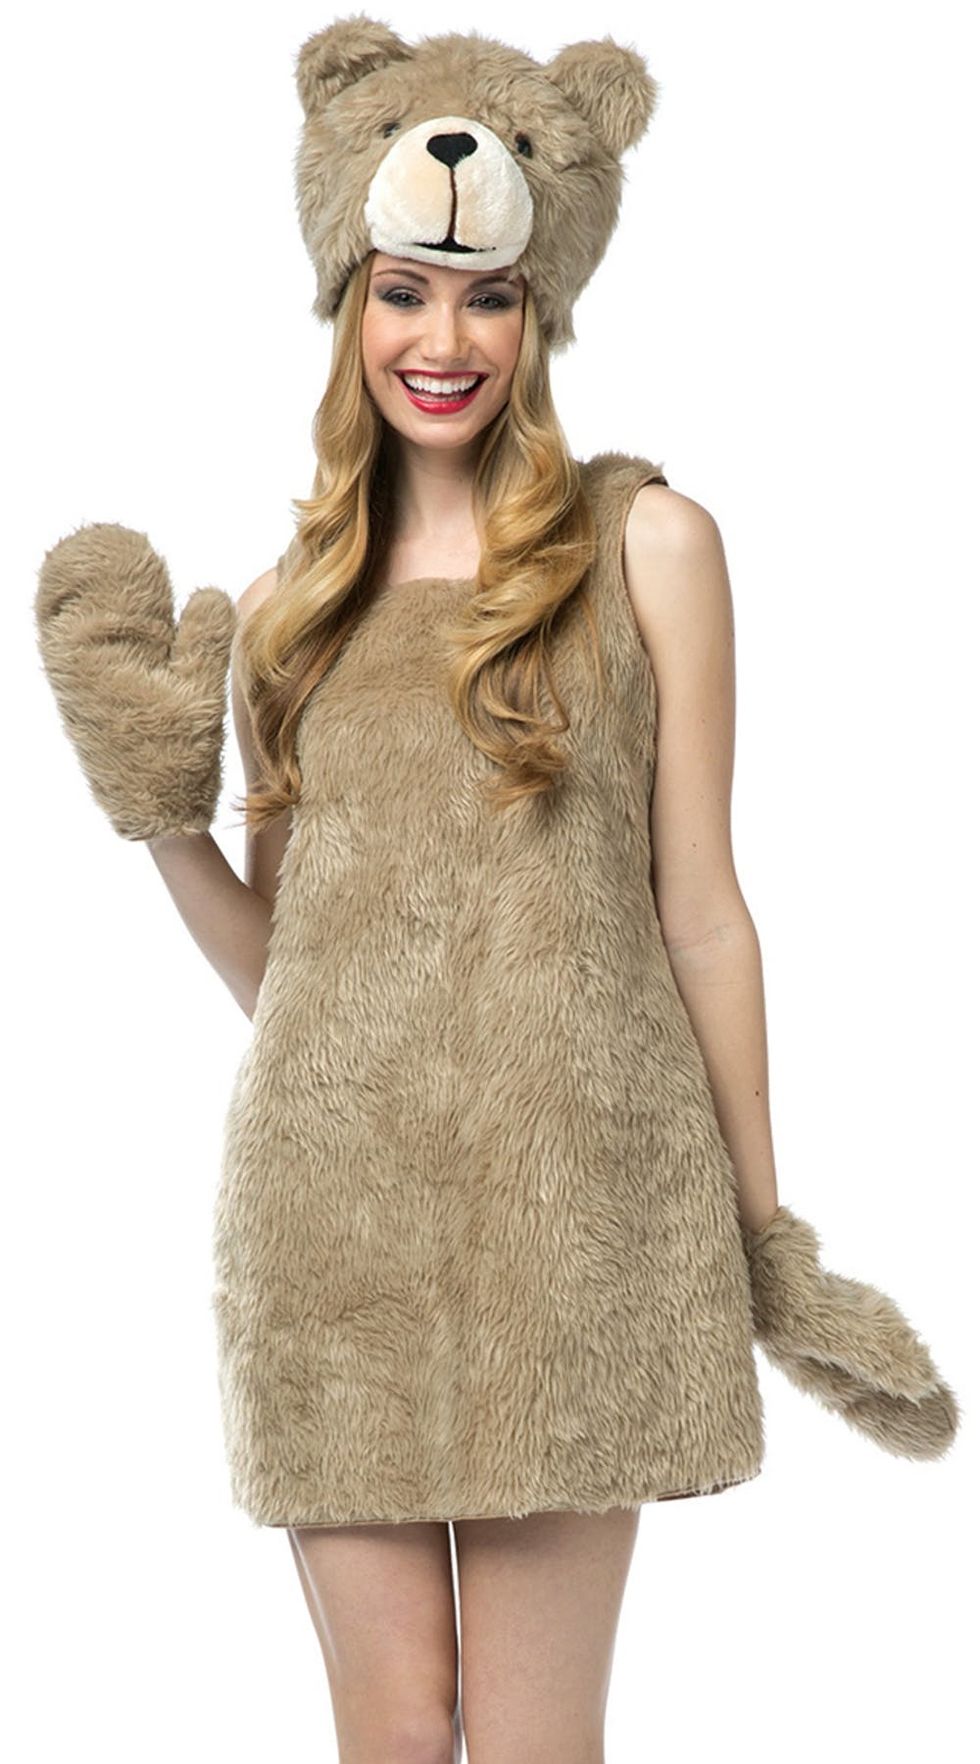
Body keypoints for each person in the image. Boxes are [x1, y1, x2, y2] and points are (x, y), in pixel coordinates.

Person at [33, 19, 958, 1763]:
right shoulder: (293, 606)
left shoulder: (647, 543)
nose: (442, 342)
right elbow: (294, 976)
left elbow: (704, 912)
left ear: (545, 309)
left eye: (489, 299)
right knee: (392, 1738)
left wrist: (766, 1240)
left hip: (576, 1226)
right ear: (348, 298)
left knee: (534, 1744)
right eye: (403, 294)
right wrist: (161, 821)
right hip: (333, 1235)